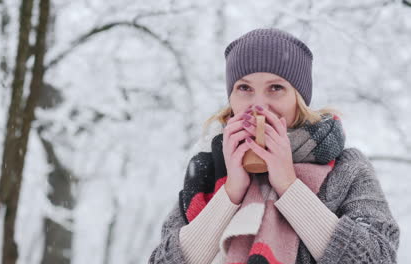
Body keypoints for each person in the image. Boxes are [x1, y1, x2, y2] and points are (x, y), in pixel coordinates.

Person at [148, 28, 400, 264]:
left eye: (276, 88)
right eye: (244, 87)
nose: (259, 104)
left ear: (298, 99)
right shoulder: (205, 171)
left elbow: (379, 257)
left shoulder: (346, 169)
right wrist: (231, 192)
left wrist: (289, 187)